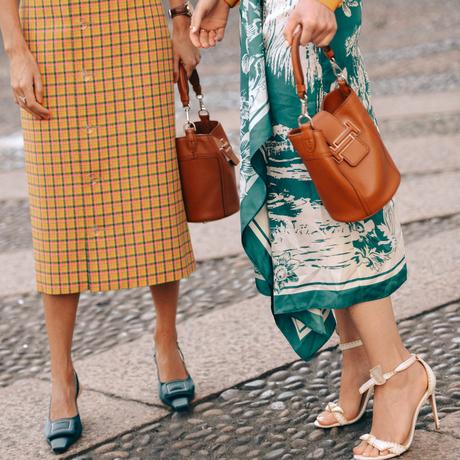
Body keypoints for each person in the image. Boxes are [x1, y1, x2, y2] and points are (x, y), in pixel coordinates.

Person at [190, 1, 439, 459]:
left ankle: (398, 372)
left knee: (333, 181)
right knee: (303, 186)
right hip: (271, 20)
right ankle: (359, 355)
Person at [0, 0, 202, 454]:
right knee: (58, 213)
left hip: (133, 36)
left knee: (153, 194)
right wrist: (16, 50)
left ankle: (167, 343)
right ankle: (61, 376)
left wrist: (180, 21)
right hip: (49, 39)